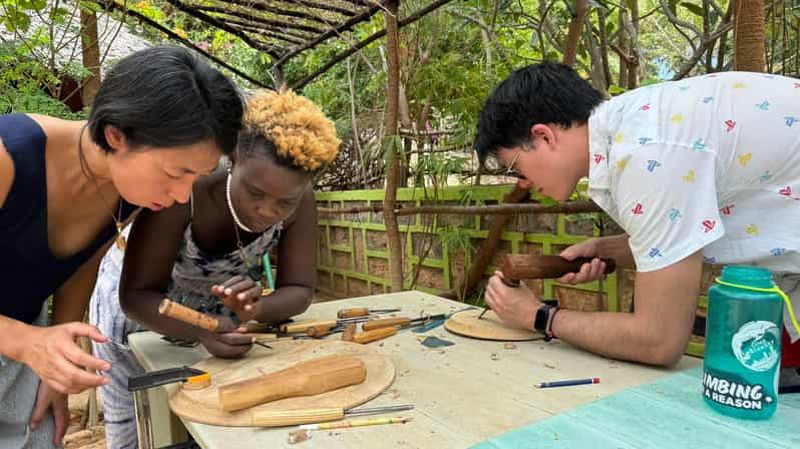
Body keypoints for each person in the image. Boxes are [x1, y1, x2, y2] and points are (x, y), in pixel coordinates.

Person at [474, 63, 800, 378]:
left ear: (544, 137)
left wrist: (538, 316)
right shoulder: (640, 127)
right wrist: (607, 249)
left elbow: (659, 340)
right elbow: (691, 233)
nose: (522, 183)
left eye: (516, 167)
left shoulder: (645, 158)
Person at [0, 45, 242, 448]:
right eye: (175, 173)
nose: (183, 196)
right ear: (116, 135)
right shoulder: (8, 158)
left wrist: (55, 364)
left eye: (195, 177)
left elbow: (80, 267)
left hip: (21, 345)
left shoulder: (129, 190)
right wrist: (28, 343)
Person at [88, 90, 340, 448]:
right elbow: (137, 296)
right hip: (140, 316)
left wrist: (257, 309)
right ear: (233, 159)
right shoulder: (186, 191)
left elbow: (299, 289)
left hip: (214, 323)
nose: (268, 210)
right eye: (255, 193)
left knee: (212, 426)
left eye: (285, 202)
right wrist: (201, 332)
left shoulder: (301, 202)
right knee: (139, 429)